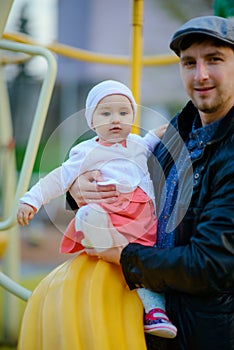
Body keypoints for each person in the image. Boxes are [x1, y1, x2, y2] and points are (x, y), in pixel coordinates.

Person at [68, 16, 234, 350]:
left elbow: (212, 264)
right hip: (157, 325)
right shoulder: (180, 131)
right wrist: (77, 189)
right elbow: (128, 175)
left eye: (214, 59)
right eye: (189, 63)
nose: (200, 74)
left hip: (210, 334)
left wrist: (125, 256)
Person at [17, 80, 177, 338]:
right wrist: (31, 200)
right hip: (112, 219)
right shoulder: (86, 152)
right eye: (106, 113)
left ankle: (155, 313)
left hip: (142, 222)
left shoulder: (137, 144)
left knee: (145, 266)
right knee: (89, 216)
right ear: (92, 121)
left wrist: (162, 132)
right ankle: (96, 231)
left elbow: (151, 140)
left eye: (124, 113)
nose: (116, 119)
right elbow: (58, 177)